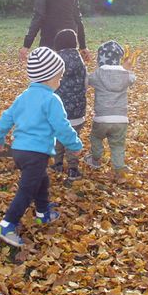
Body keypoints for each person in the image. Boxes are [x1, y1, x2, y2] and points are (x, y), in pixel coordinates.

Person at [0, 46, 83, 247]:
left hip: (19, 151)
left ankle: (43, 213)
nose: (60, 81)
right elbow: (61, 126)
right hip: (36, 153)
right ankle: (7, 225)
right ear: (49, 77)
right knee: (26, 190)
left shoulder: (23, 97)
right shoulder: (51, 99)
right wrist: (74, 145)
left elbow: (6, 117)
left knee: (42, 180)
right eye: (59, 77)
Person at [84, 40, 136, 181]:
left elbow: (87, 80)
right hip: (121, 119)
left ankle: (96, 159)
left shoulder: (98, 74)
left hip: (102, 118)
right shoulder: (125, 75)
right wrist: (128, 69)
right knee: (118, 145)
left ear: (100, 58)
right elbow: (132, 78)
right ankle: (119, 169)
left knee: (96, 138)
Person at [52, 29, 87, 181]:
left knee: (58, 136)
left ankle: (58, 163)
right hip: (78, 110)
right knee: (73, 137)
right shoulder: (80, 60)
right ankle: (73, 168)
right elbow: (85, 83)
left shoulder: (55, 61)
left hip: (59, 110)